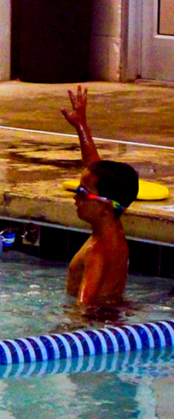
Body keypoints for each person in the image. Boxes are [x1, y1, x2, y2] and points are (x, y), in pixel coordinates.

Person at [61, 86, 139, 305]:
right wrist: (81, 126)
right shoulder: (114, 229)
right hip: (110, 322)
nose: (75, 197)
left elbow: (85, 308)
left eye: (83, 193)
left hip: (95, 326)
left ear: (105, 207)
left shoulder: (96, 252)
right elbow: (96, 169)